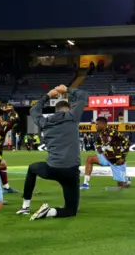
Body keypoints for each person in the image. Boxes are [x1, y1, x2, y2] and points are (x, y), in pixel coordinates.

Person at [16, 85, 87, 221]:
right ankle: (49, 212)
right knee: (71, 210)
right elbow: (83, 95)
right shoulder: (72, 116)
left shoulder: (45, 122)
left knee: (32, 169)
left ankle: (25, 206)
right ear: (68, 109)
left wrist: (48, 96)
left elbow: (33, 109)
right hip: (71, 171)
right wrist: (66, 89)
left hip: (52, 168)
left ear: (56, 110)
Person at [81, 117, 130, 189]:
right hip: (106, 158)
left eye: (97, 124)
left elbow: (127, 142)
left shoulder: (113, 132)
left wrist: (122, 157)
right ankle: (85, 183)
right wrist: (101, 152)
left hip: (117, 161)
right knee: (89, 159)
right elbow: (97, 145)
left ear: (103, 124)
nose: (96, 126)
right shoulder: (99, 134)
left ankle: (127, 180)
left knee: (122, 186)